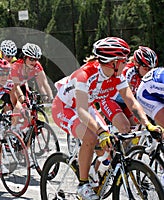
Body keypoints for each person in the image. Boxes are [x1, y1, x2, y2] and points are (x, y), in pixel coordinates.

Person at [51, 37, 161, 200]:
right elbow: (81, 110)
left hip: (87, 107)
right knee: (91, 136)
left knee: (108, 144)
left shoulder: (117, 75)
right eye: (124, 60)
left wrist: (147, 125)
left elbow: (131, 102)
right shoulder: (84, 75)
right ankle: (83, 184)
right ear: (113, 62)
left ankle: (95, 174)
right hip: (65, 107)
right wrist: (101, 131)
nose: (127, 63)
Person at [115, 46, 158, 126]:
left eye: (151, 69)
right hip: (117, 99)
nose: (149, 72)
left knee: (135, 127)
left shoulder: (148, 74)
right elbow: (129, 96)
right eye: (146, 69)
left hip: (130, 99)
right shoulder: (128, 71)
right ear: (137, 65)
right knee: (128, 126)